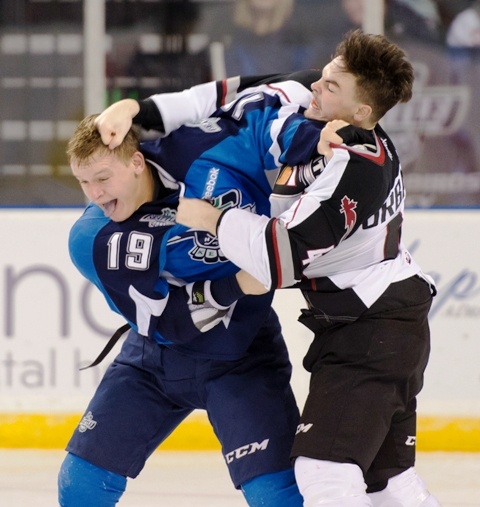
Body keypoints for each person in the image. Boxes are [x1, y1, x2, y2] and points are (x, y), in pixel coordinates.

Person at [175, 29, 441, 506]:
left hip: (373, 332)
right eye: (323, 76)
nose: (314, 87)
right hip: (384, 324)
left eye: (331, 86)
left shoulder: (355, 167)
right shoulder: (342, 132)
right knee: (388, 483)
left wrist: (213, 218)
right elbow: (275, 87)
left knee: (324, 474)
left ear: (362, 111)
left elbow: (282, 259)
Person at [58, 71, 327, 506]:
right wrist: (237, 283)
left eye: (103, 178)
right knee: (80, 485)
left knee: (275, 496)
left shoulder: (204, 145)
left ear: (136, 162)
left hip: (242, 354)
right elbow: (172, 323)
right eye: (84, 183)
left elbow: (288, 86)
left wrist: (139, 107)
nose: (96, 196)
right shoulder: (94, 239)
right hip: (153, 359)